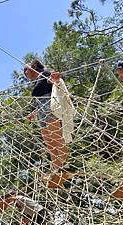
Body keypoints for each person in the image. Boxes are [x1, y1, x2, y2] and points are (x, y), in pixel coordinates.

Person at [24, 59, 72, 188]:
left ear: (33, 67)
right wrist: (34, 112)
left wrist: (55, 79)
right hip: (41, 110)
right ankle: (56, 169)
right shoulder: (36, 81)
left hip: (50, 107)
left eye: (26, 70)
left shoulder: (45, 73)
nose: (25, 73)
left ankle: (64, 165)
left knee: (55, 136)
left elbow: (54, 82)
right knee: (49, 142)